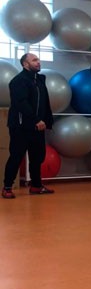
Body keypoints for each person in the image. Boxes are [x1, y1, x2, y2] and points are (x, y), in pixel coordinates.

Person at [2, 53, 54, 199]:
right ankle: (7, 187)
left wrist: (47, 121)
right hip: (20, 126)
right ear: (25, 64)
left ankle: (36, 186)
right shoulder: (18, 81)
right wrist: (36, 120)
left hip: (38, 126)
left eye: (38, 59)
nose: (38, 62)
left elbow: (45, 102)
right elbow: (21, 103)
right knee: (16, 156)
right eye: (34, 60)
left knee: (37, 157)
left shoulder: (40, 80)